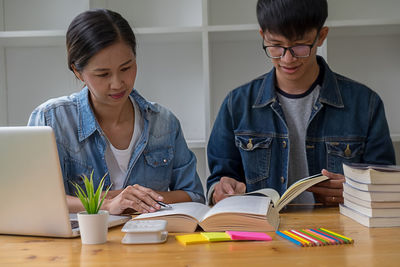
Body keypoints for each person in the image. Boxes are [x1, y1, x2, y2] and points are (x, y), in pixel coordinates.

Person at [207, 0, 395, 205]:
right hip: (263, 234)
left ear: (320, 36)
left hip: (342, 233)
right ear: (263, 36)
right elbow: (219, 180)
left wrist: (355, 192)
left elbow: (385, 188)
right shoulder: (237, 104)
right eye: (276, 46)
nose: (287, 59)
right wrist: (220, 191)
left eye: (299, 46)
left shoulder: (365, 104)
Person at [28, 9, 205, 214]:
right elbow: (35, 198)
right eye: (103, 74)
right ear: (78, 72)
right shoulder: (51, 119)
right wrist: (108, 203)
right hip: (79, 244)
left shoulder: (164, 122)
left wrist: (135, 199)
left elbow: (194, 195)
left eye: (126, 68)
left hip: (151, 242)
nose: (117, 83)